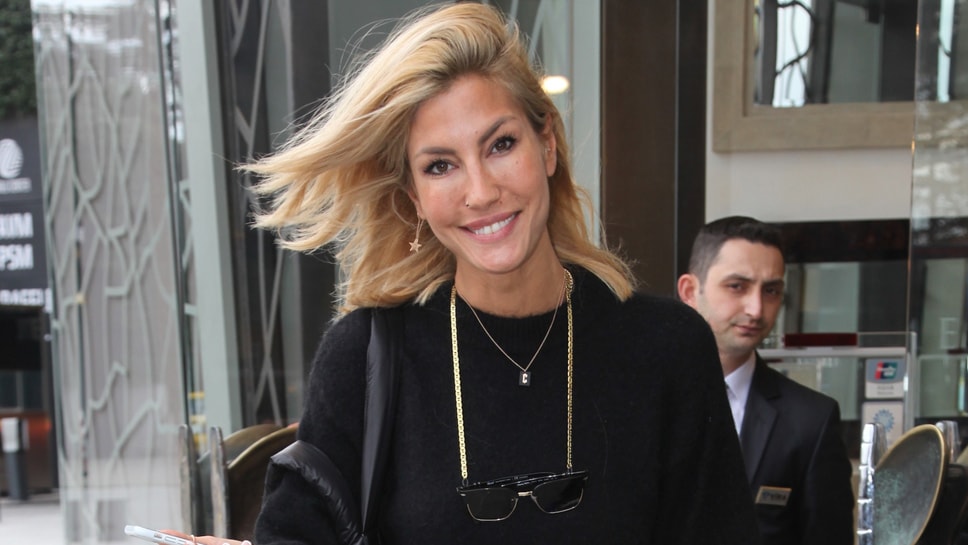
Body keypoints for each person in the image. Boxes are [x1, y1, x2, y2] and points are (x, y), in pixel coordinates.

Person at [184, 4, 759, 544]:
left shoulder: (667, 348)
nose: (481, 192)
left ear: (548, 146)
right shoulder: (364, 356)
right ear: (414, 195)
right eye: (440, 166)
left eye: (500, 145)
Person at [676, 215, 855, 545]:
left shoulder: (811, 421)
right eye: (737, 286)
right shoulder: (645, 402)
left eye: (771, 290)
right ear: (690, 291)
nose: (757, 309)